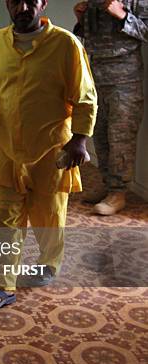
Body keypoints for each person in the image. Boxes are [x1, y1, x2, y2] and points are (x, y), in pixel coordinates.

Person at [0, 0, 98, 310]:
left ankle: (48, 264)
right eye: (16, 0)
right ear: (7, 4)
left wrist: (79, 141)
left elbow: (85, 97)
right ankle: (0, 285)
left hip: (52, 151)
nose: (23, 6)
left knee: (49, 216)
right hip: (8, 148)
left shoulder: (65, 44)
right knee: (6, 217)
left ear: (43, 3)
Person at [73, 0, 148, 215]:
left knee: (120, 138)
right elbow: (93, 38)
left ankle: (118, 192)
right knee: (101, 135)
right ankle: (107, 184)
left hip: (124, 79)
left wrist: (122, 14)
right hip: (95, 75)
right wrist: (81, 19)